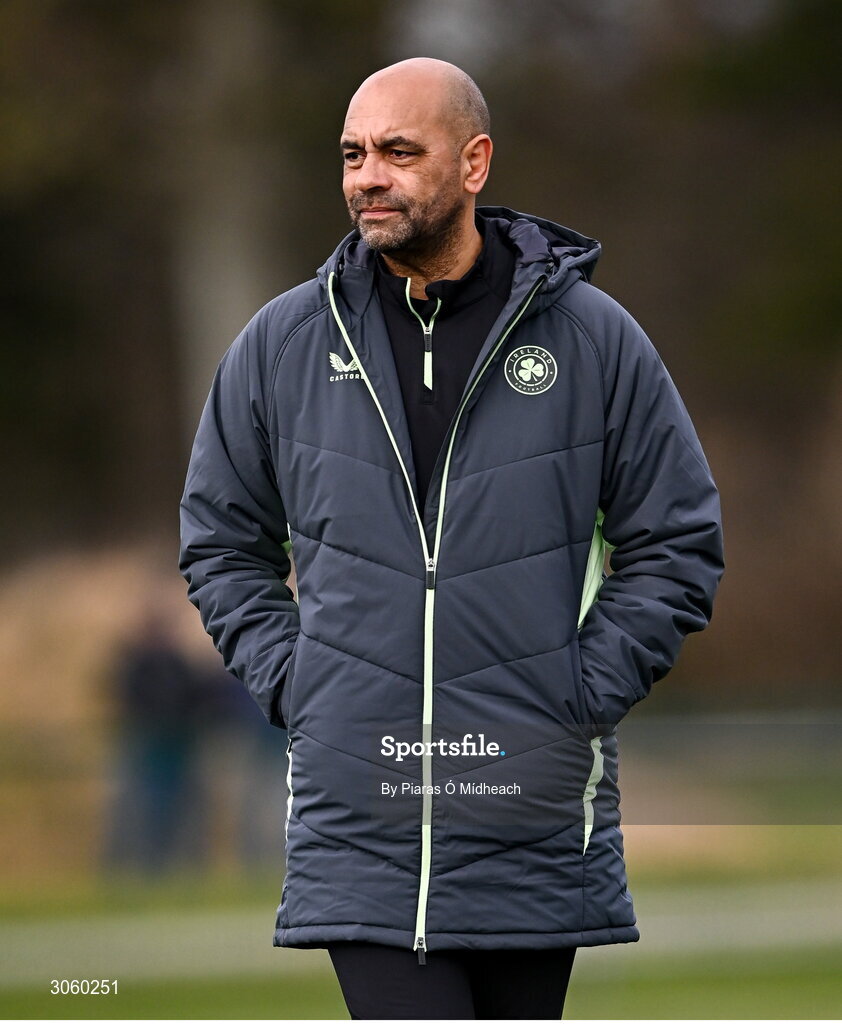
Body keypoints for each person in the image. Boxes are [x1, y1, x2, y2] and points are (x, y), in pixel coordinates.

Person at [179, 57, 724, 1020]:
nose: (367, 177)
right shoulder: (284, 345)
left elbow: (677, 544)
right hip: (363, 819)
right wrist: (301, 683)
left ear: (474, 163)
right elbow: (220, 542)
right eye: (352, 154)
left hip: (532, 816)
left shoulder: (595, 342)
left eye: (398, 151)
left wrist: (578, 693)